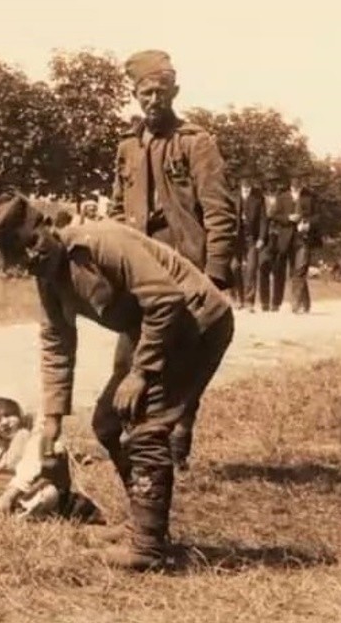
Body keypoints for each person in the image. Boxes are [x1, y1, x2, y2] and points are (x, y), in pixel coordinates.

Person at [0, 192, 234, 571]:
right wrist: (52, 419)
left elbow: (165, 300)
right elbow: (56, 344)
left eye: (32, 243)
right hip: (149, 329)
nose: (31, 257)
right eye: (19, 256)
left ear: (48, 225)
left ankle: (147, 547)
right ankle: (142, 523)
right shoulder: (47, 278)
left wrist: (142, 373)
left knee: (146, 426)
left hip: (195, 321)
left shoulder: (101, 242)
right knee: (107, 422)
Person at [108, 49, 235, 467]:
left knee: (182, 358)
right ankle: (135, 439)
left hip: (185, 267)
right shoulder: (128, 146)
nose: (152, 100)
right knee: (130, 357)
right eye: (144, 93)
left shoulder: (196, 143)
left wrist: (214, 274)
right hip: (137, 270)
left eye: (160, 92)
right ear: (134, 95)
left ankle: (177, 439)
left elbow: (218, 211)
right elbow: (114, 208)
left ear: (174, 91)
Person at [269, 175, 319, 314]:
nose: (296, 182)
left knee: (300, 269)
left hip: (303, 238)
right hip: (286, 239)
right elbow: (274, 215)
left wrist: (308, 224)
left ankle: (295, 303)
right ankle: (305, 302)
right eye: (294, 180)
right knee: (293, 272)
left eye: (299, 180)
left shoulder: (310, 196)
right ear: (290, 181)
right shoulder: (282, 196)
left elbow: (317, 216)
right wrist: (287, 218)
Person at [232, 178, 269, 312]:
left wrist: (261, 238)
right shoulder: (233, 197)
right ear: (240, 186)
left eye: (248, 188)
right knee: (234, 267)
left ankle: (249, 302)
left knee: (251, 269)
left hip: (252, 238)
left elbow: (264, 219)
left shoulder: (258, 199)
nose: (246, 191)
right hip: (235, 239)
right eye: (244, 188)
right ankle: (238, 298)